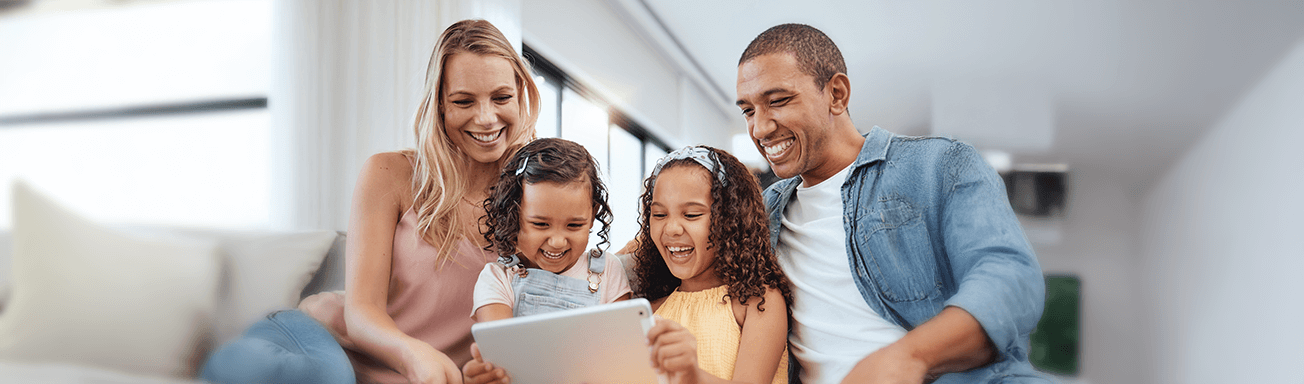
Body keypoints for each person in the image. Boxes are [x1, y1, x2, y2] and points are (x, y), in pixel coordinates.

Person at [202, 19, 541, 384]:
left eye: (501, 98)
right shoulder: (391, 173)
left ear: (521, 95)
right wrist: (414, 354)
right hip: (320, 344)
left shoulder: (537, 202)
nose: (486, 117)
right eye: (463, 101)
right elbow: (361, 312)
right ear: (440, 105)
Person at [734, 24, 1048, 383]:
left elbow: (1010, 281)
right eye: (748, 110)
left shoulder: (939, 165)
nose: (759, 128)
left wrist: (908, 358)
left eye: (777, 101)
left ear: (836, 94)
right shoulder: (762, 212)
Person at [461, 137, 633, 384]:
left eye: (574, 225)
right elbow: (502, 358)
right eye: (540, 224)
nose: (557, 242)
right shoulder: (498, 278)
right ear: (515, 212)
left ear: (593, 215)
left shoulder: (608, 271)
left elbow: (621, 354)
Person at [634, 145, 792, 384]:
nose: (672, 229)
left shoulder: (758, 302)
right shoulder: (651, 310)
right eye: (659, 215)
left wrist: (692, 376)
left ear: (731, 220)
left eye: (691, 215)